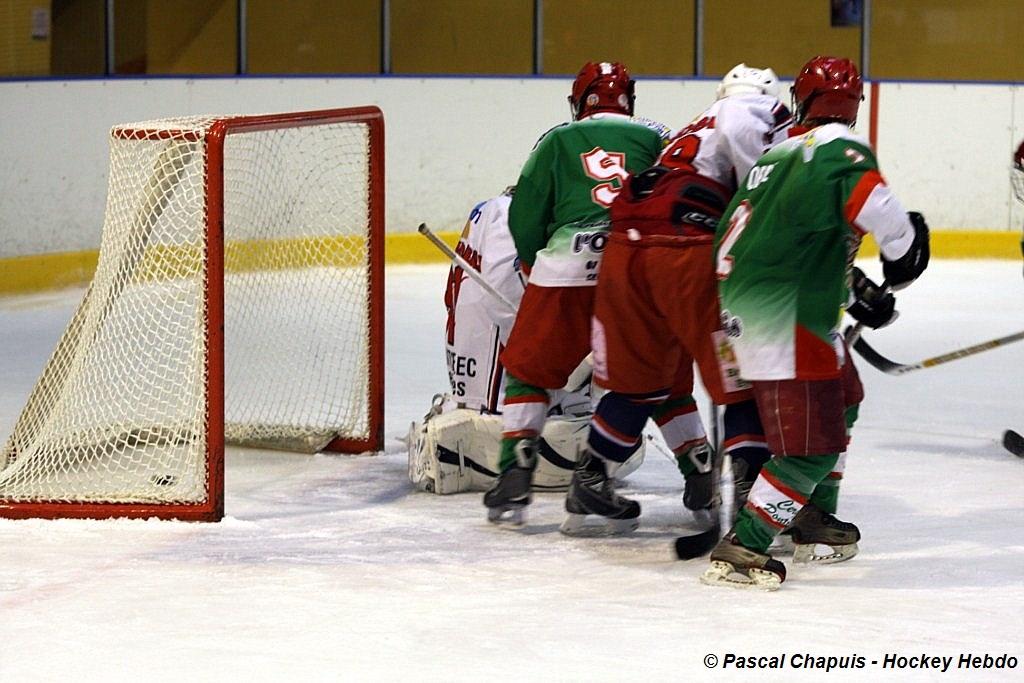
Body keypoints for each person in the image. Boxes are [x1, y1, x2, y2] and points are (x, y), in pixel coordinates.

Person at [706, 55, 930, 590]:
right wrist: (904, 253)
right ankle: (743, 547)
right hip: (786, 317)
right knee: (812, 448)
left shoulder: (770, 160)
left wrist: (848, 289)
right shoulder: (839, 149)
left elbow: (773, 244)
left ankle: (810, 518)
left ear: (799, 102)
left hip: (745, 310)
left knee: (844, 398)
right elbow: (886, 218)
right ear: (854, 107)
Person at [558, 64, 789, 535]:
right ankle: (748, 496)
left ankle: (592, 475)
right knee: (741, 375)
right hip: (684, 247)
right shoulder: (756, 109)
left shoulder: (693, 126)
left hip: (627, 245)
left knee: (639, 379)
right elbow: (753, 179)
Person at [483, 61, 670, 524]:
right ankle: (698, 475)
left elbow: (525, 213)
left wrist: (535, 266)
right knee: (651, 377)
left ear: (578, 101)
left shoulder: (556, 140)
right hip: (634, 271)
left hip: (564, 266)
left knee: (529, 370)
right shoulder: (658, 139)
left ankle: (517, 469)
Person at [408, 188, 635, 494]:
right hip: (505, 407)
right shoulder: (511, 216)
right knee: (616, 438)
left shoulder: (500, 209)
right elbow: (510, 308)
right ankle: (478, 445)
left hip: (480, 382)